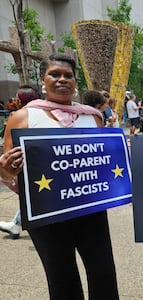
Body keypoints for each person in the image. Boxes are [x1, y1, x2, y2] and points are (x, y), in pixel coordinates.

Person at [0, 54, 119, 299]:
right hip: (47, 217)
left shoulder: (92, 117)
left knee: (103, 274)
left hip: (90, 212)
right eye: (55, 74)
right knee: (62, 280)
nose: (62, 79)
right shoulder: (23, 117)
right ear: (43, 79)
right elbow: (7, 171)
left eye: (68, 76)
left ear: (75, 82)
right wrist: (8, 169)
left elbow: (104, 163)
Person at [0, 85, 40, 239]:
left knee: (32, 195)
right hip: (38, 165)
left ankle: (16, 225)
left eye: (18, 98)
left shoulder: (18, 116)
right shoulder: (46, 114)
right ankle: (16, 224)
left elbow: (9, 148)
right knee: (33, 195)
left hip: (27, 166)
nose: (15, 101)